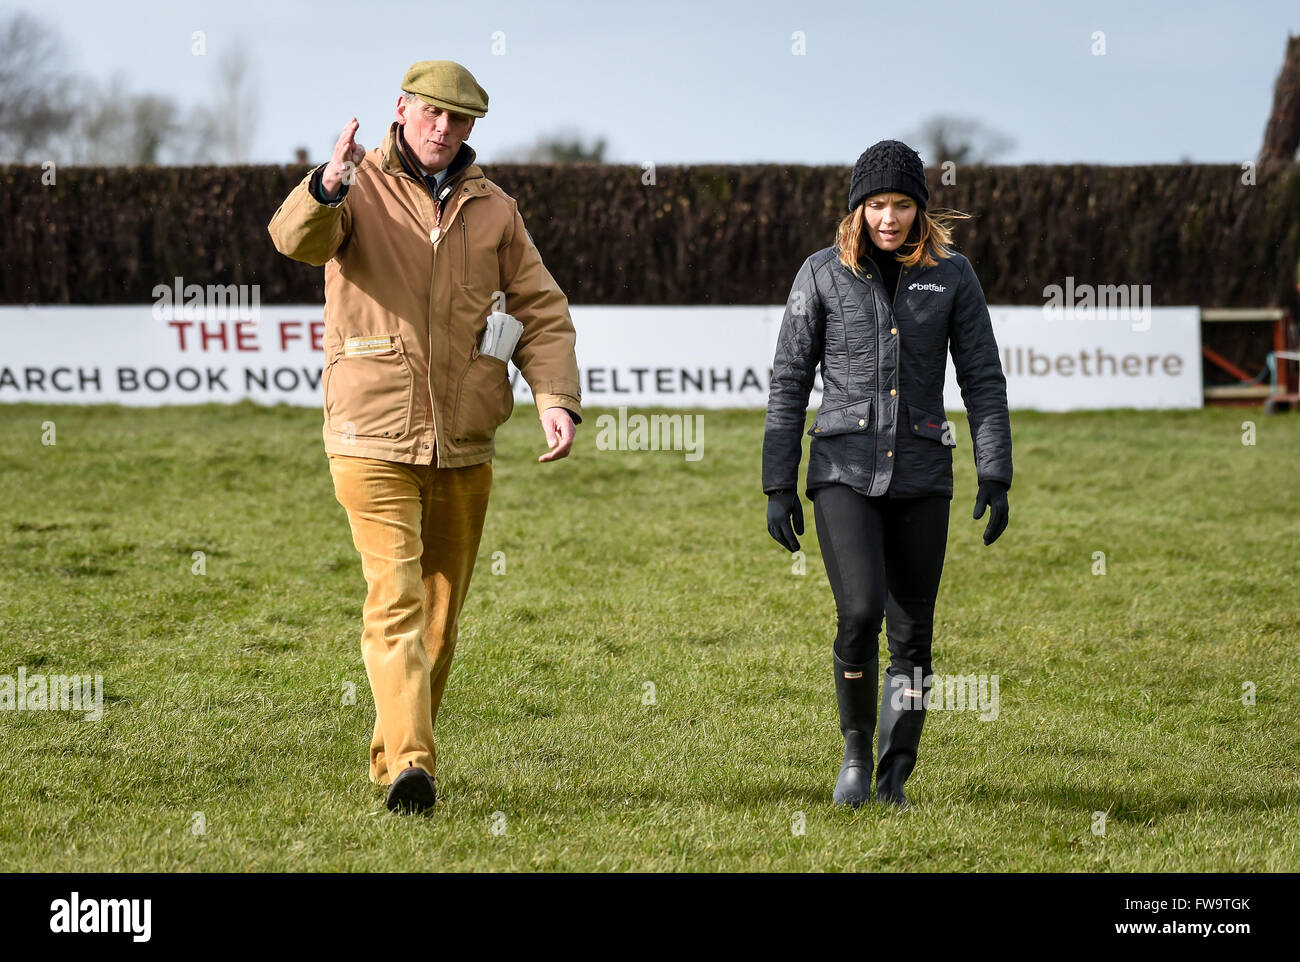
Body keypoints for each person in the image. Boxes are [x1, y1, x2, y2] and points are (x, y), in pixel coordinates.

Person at [267, 60, 582, 814]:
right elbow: (293, 241)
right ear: (401, 109)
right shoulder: (355, 186)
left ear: (472, 127)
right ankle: (414, 763)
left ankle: (395, 756)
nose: (443, 129)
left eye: (460, 119)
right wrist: (326, 186)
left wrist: (555, 397)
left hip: (466, 437)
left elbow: (540, 308)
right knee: (397, 597)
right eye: (431, 113)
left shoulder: (496, 209)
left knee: (440, 619)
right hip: (370, 434)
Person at [762, 139, 1012, 810]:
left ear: (921, 210)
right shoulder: (819, 274)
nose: (890, 218)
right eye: (877, 205)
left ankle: (895, 773)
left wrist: (996, 472)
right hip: (842, 468)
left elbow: (983, 379)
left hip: (925, 472)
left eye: (903, 205)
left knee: (913, 632)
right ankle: (853, 753)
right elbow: (789, 381)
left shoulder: (953, 276)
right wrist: (778, 483)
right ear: (858, 209)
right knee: (861, 612)